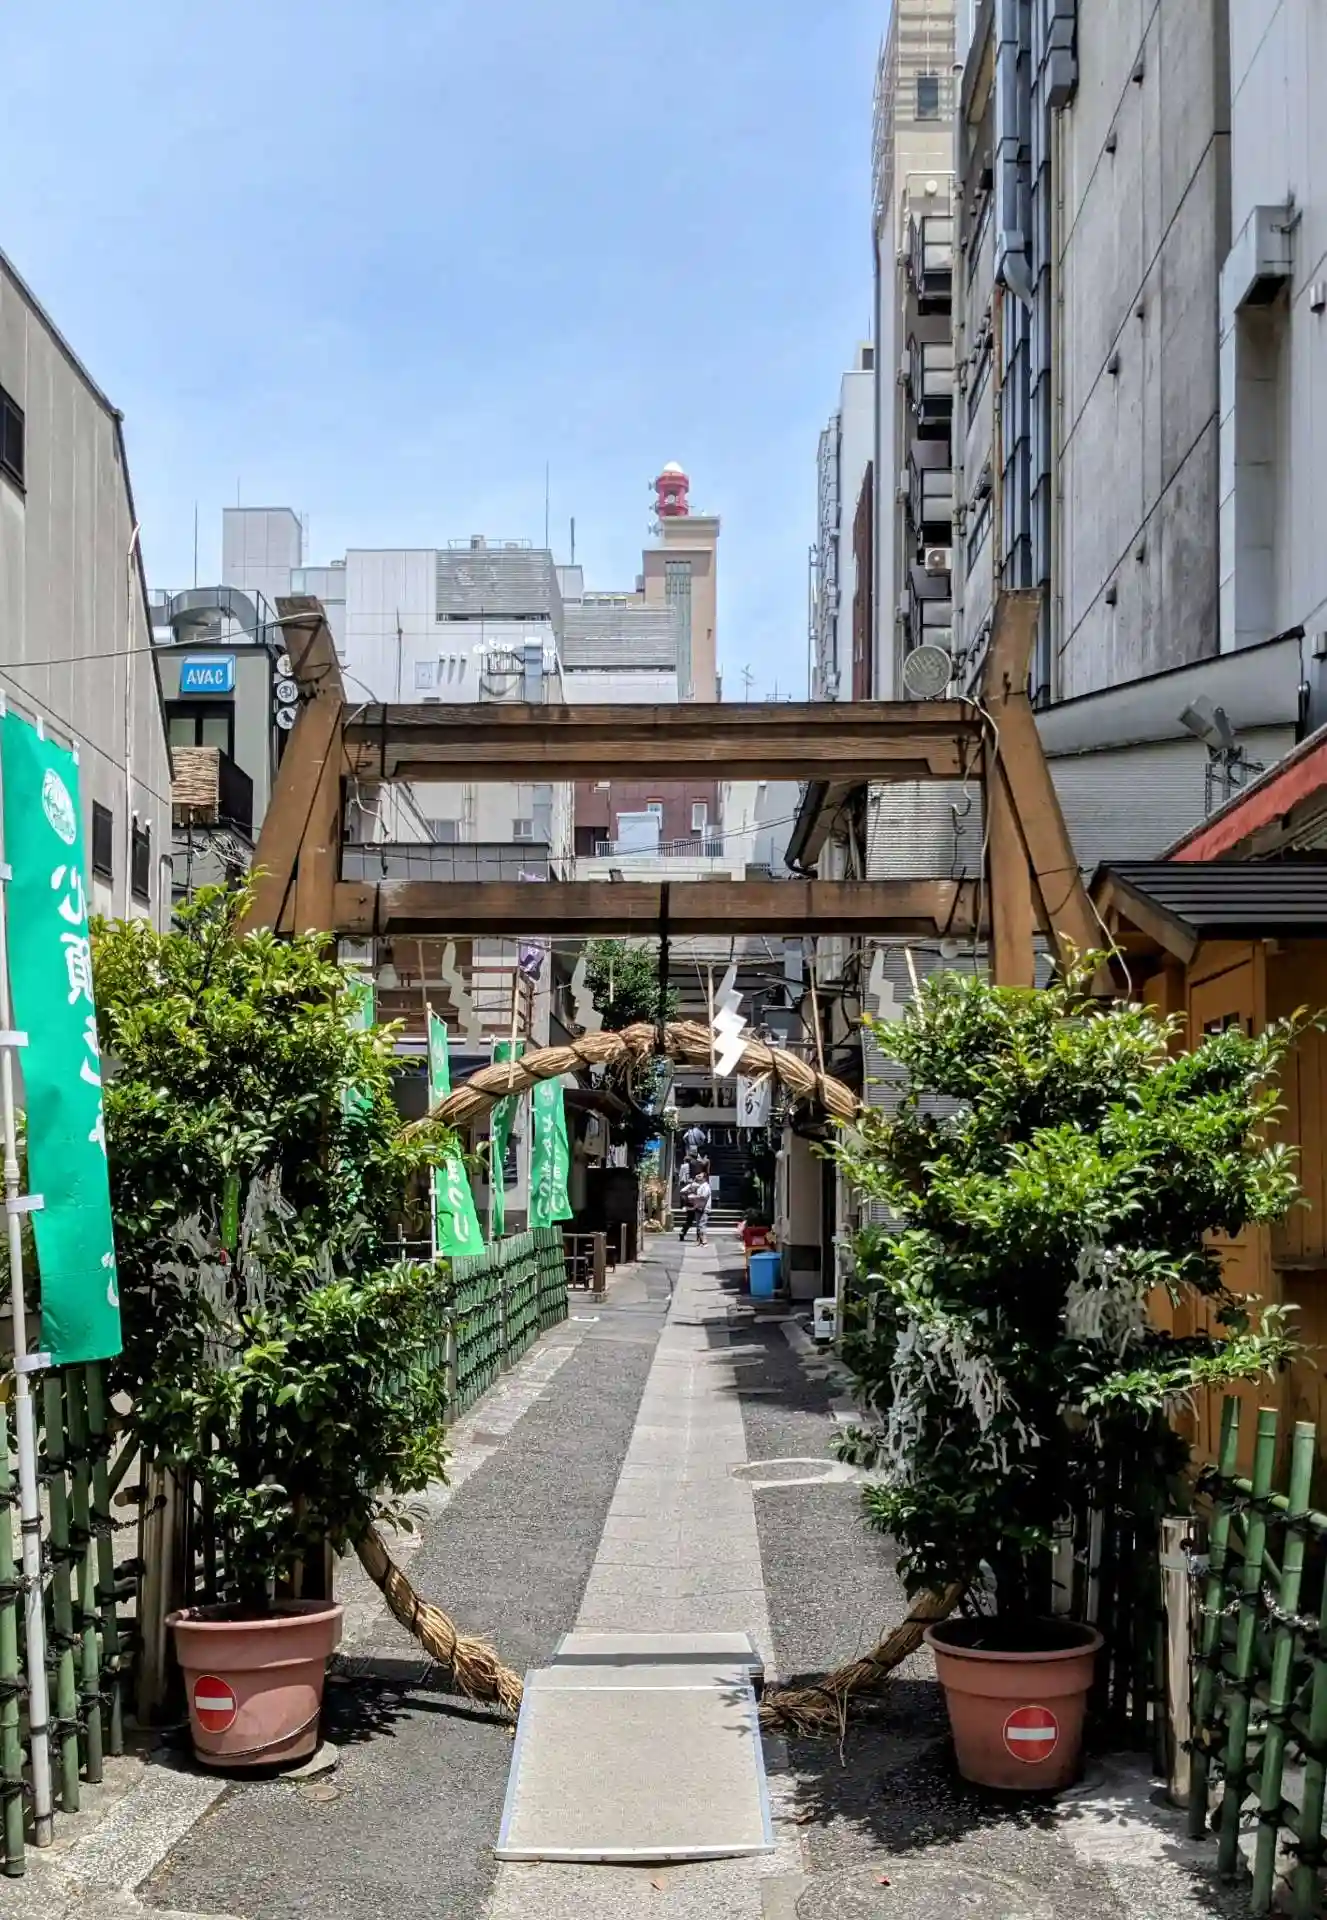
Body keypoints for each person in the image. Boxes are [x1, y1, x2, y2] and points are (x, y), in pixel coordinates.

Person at [681, 1162, 712, 1246]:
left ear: (704, 1178)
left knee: (702, 1225)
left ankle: (704, 1241)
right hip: (698, 1207)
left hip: (704, 1208)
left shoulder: (706, 1186)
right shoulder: (700, 1186)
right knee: (699, 1225)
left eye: (700, 1176)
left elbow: (703, 1196)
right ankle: (700, 1241)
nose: (698, 1177)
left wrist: (694, 1197)